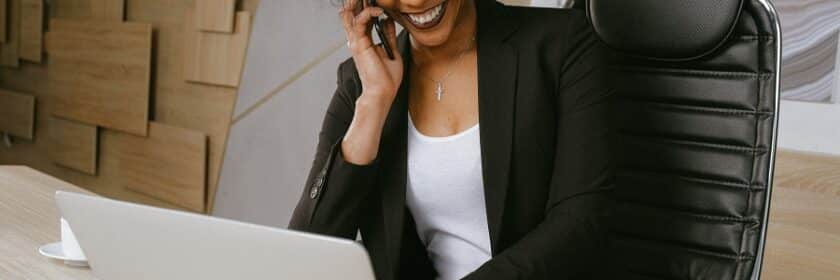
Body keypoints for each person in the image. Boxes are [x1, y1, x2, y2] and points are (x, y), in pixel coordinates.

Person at [290, 0, 614, 279]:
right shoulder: (361, 82)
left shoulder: (559, 44)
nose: (415, 2)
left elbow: (581, 222)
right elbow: (306, 256)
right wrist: (374, 101)